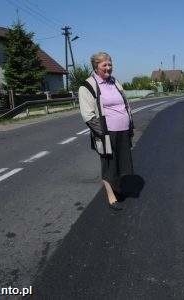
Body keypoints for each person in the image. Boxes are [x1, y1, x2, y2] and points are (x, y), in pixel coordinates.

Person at [79, 52, 134, 211]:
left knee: (121, 163)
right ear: (96, 67)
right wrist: (103, 135)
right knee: (108, 164)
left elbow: (125, 103)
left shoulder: (115, 82)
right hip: (106, 133)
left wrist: (130, 124)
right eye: (105, 65)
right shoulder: (88, 86)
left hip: (123, 129)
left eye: (110, 64)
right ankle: (111, 196)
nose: (108, 68)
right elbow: (88, 115)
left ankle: (117, 188)